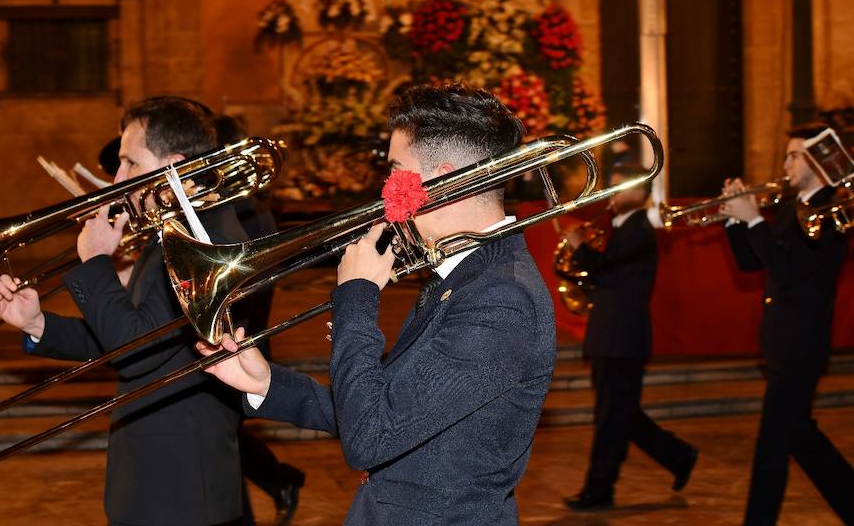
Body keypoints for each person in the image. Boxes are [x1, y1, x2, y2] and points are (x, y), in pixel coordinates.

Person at [199, 83, 556, 525]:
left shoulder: (502, 300)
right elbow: (382, 407)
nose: (387, 189)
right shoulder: (466, 276)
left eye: (396, 171)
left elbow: (370, 438)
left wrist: (357, 296)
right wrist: (266, 383)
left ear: (442, 179)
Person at [0, 96, 250, 526]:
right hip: (152, 478)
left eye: (129, 162)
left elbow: (135, 349)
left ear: (174, 165)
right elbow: (130, 334)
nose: (117, 178)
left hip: (181, 490)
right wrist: (37, 323)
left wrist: (95, 263)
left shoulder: (207, 241)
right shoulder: (172, 229)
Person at [722, 124, 854, 525]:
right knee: (800, 436)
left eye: (794, 155)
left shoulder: (837, 207)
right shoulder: (788, 204)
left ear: (818, 160)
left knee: (773, 446)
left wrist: (755, 222)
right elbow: (752, 264)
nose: (785, 163)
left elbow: (790, 272)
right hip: (780, 339)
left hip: (803, 342)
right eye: (786, 155)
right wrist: (735, 221)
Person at [561, 164, 698, 511]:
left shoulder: (639, 230)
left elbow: (613, 273)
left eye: (620, 188)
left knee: (612, 418)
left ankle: (599, 490)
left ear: (641, 193)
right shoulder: (620, 230)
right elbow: (606, 278)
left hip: (622, 339)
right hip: (611, 336)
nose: (612, 194)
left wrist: (579, 247)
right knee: (621, 415)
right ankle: (679, 456)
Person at [214, 115, 305, 526]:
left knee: (221, 442)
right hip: (242, 339)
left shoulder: (242, 215)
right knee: (222, 442)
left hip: (240, 341)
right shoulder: (250, 209)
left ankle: (278, 480)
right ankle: (278, 481)